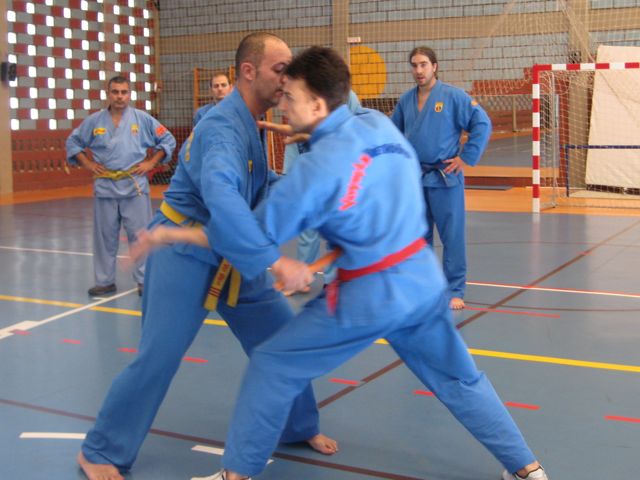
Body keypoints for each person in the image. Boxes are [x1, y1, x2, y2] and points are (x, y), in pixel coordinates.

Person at [145, 46, 548, 480]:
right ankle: (527, 469)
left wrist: (173, 233)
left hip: (368, 296)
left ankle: (235, 474)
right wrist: (314, 136)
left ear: (318, 105)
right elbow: (367, 193)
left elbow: (244, 233)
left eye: (291, 98)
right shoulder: (379, 125)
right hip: (421, 281)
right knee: (459, 378)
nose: (282, 105)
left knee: (273, 364)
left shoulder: (314, 173)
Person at [76, 33, 336, 480]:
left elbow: (258, 186)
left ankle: (296, 425)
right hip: (185, 252)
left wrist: (318, 187)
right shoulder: (221, 128)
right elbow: (224, 198)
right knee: (158, 356)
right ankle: (101, 450)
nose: (288, 78)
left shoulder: (251, 122)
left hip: (232, 254)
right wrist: (275, 261)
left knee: (282, 341)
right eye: (280, 69)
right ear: (248, 71)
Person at [391, 46, 492, 310]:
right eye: (414, 65)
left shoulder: (453, 96)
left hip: (445, 177)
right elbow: (393, 135)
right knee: (418, 238)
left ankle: (454, 289)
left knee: (452, 237)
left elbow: (482, 123)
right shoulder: (405, 100)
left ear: (434, 66)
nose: (419, 70)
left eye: (423, 64)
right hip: (416, 179)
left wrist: (465, 157)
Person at [66, 75, 176, 297]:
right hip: (105, 187)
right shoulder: (94, 121)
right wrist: (88, 164)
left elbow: (167, 140)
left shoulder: (142, 119)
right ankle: (104, 281)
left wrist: (151, 163)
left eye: (124, 92)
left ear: (129, 94)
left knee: (140, 235)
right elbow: (73, 142)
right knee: (104, 237)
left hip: (134, 186)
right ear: (108, 94)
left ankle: (144, 280)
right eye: (115, 92)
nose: (119, 96)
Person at [280, 90, 361, 296]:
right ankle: (300, 278)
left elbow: (357, 129)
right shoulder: (301, 95)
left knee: (336, 230)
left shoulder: (346, 96)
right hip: (311, 174)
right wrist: (290, 175)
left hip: (339, 174)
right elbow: (295, 137)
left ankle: (332, 280)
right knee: (307, 231)